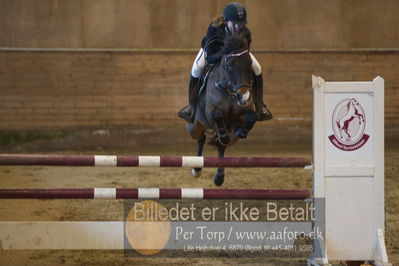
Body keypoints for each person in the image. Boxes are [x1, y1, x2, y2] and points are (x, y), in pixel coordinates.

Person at [178, 2, 273, 123]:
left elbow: (245, 52)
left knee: (257, 68)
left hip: (236, 55)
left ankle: (260, 106)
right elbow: (211, 57)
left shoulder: (245, 33)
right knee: (196, 69)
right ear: (226, 20)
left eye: (241, 24)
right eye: (234, 23)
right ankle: (191, 107)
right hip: (211, 52)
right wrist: (225, 54)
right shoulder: (214, 28)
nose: (237, 27)